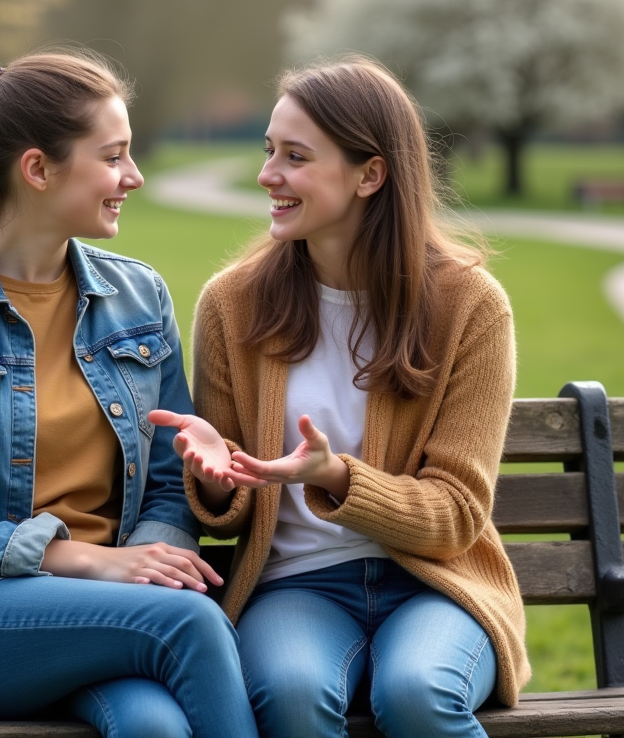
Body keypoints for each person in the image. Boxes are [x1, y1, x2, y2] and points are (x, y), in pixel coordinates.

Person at [0, 51, 258, 738]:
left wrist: (145, 566)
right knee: (190, 621)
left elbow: (165, 485)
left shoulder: (138, 296)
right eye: (113, 157)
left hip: (115, 617)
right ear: (37, 170)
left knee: (154, 728)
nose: (134, 176)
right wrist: (92, 562)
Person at [150, 58, 530, 738]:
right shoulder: (231, 305)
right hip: (296, 586)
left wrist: (336, 478)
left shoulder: (470, 307)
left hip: (436, 583)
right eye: (270, 151)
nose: (269, 175)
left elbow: (457, 514)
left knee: (418, 693)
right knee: (291, 695)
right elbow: (226, 519)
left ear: (370, 175)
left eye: (295, 157)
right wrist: (216, 476)